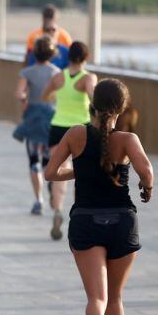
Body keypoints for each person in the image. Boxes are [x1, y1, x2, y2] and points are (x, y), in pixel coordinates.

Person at [44, 78, 153, 315]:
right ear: (122, 108)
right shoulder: (128, 139)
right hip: (122, 221)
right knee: (116, 298)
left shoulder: (76, 134)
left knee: (97, 297)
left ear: (92, 104)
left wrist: (80, 169)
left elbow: (51, 173)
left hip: (86, 220)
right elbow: (146, 170)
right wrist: (147, 187)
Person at [42, 41, 97, 240]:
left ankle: (57, 211)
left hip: (58, 127)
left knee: (59, 169)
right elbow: (94, 97)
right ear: (86, 57)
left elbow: (45, 96)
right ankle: (78, 214)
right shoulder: (87, 78)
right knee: (80, 171)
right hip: (81, 129)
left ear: (68, 57)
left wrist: (59, 101)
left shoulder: (58, 77)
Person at [14, 36, 60, 216]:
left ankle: (38, 200)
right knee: (49, 160)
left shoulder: (27, 72)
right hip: (51, 118)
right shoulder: (57, 72)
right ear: (52, 53)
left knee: (34, 160)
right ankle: (51, 187)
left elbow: (19, 94)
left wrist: (26, 100)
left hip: (33, 117)